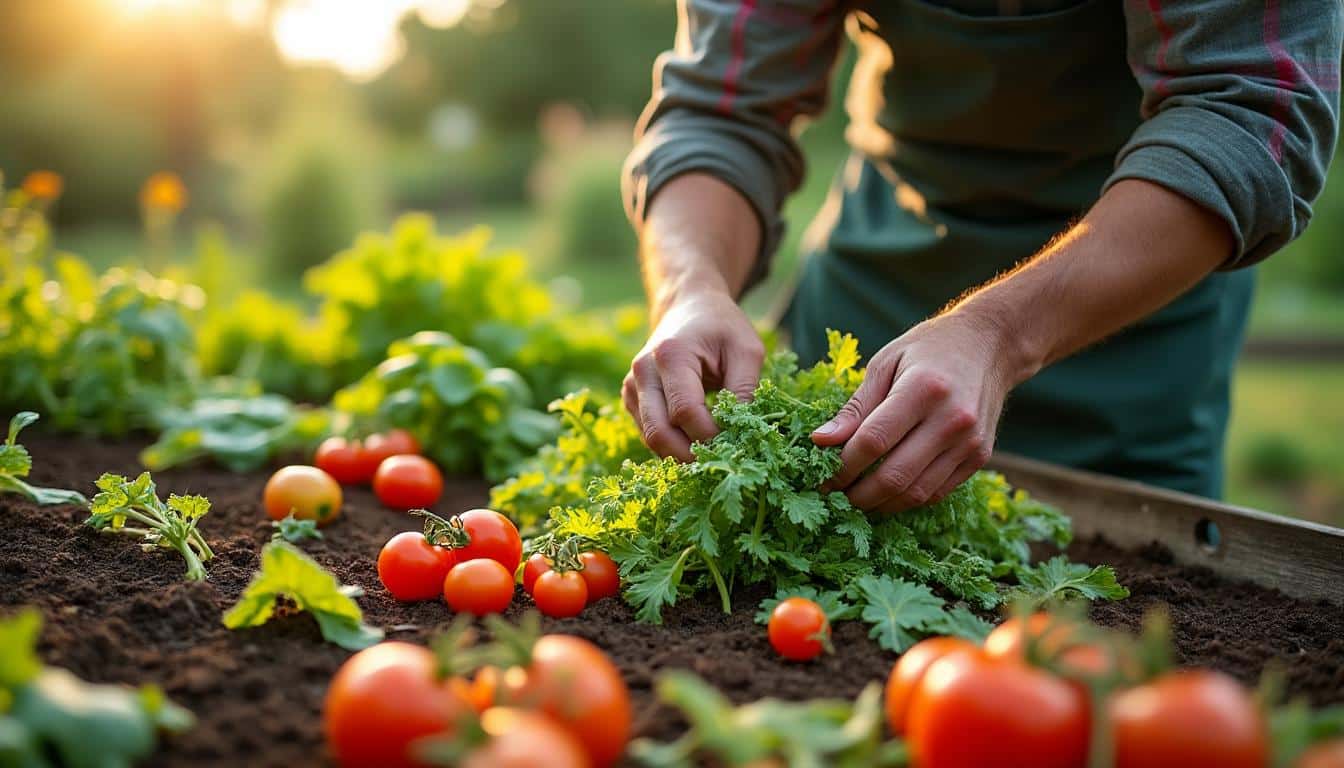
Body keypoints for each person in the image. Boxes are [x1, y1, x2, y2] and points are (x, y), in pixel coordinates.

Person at [620, 0, 1342, 515]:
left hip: (1126, 323)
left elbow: (1251, 115)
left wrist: (998, 333)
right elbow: (718, 108)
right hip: (876, 280)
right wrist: (692, 286)